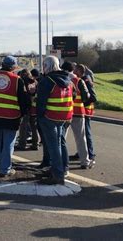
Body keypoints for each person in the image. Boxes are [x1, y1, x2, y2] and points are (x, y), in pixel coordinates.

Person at [0, 56, 29, 176]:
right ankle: (5, 169)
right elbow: (23, 100)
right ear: (13, 67)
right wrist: (23, 114)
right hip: (11, 116)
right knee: (9, 142)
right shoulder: (17, 79)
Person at [36, 56, 73, 185]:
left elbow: (41, 102)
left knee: (53, 146)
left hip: (49, 117)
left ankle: (57, 174)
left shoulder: (47, 81)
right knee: (59, 143)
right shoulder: (68, 79)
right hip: (64, 116)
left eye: (43, 65)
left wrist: (39, 117)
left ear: (47, 66)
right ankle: (61, 169)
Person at [61, 61, 93, 169]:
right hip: (78, 112)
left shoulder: (60, 79)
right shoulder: (78, 80)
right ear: (72, 69)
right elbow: (87, 96)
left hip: (65, 112)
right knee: (80, 138)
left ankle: (61, 161)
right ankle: (85, 162)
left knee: (62, 138)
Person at [71, 64, 97, 164]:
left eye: (75, 70)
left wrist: (82, 102)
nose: (73, 72)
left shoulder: (85, 80)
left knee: (86, 134)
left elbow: (93, 97)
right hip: (82, 111)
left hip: (85, 111)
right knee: (81, 135)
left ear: (79, 71)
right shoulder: (79, 80)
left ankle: (90, 155)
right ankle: (81, 153)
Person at [16, 69, 39, 151]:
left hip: (26, 107)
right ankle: (35, 144)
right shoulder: (35, 82)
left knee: (23, 127)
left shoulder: (22, 82)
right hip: (35, 107)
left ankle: (22, 144)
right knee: (34, 127)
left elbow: (22, 95)